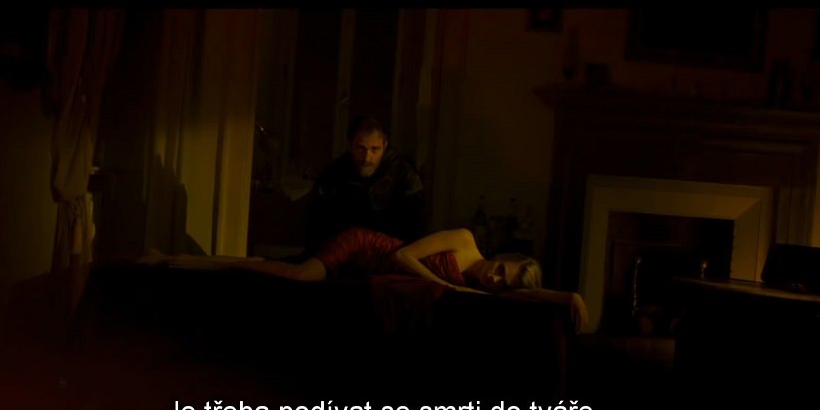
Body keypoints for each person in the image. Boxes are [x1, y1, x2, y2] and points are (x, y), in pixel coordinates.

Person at [146, 226, 543, 295]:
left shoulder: (477, 289)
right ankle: (187, 263)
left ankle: (182, 259)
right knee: (300, 276)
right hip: (364, 246)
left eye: (504, 283)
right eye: (502, 270)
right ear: (502, 257)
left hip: (368, 269)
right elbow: (403, 254)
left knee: (283, 265)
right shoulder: (465, 241)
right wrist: (442, 285)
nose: (495, 278)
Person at [305, 115, 427, 254]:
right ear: (350, 145)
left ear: (385, 145)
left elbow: (417, 222)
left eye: (375, 149)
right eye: (360, 149)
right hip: (346, 252)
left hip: (390, 252)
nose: (367, 158)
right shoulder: (334, 173)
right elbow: (318, 223)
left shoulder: (403, 172)